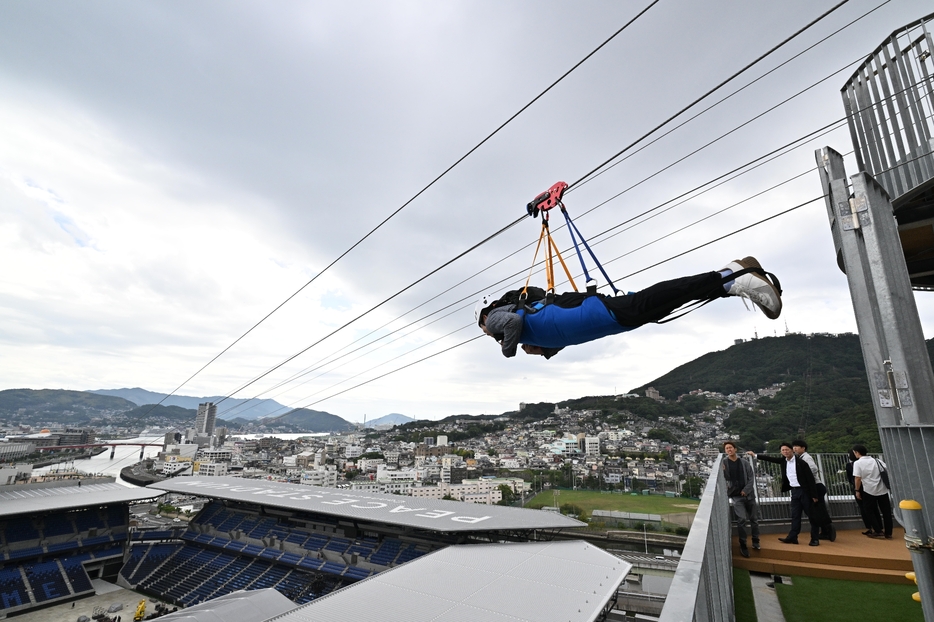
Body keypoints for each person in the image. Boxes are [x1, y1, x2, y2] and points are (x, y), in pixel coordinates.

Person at [477, 257, 782, 358]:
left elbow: (512, 328)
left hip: (593, 314)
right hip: (599, 320)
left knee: (654, 301)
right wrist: (538, 348)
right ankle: (728, 282)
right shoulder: (537, 330)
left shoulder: (494, 322)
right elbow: (555, 346)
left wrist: (507, 349)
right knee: (658, 306)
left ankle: (731, 276)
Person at [746, 443, 822, 546]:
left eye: (787, 450)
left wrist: (814, 495)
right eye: (783, 450)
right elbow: (770, 459)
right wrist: (755, 455)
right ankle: (793, 537)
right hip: (794, 491)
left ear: (792, 450)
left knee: (812, 516)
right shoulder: (783, 461)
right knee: (795, 515)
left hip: (805, 491)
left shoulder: (801, 463)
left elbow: (810, 479)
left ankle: (815, 538)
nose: (785, 452)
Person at [791, 439, 835, 542]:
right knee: (819, 510)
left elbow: (814, 468)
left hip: (816, 486)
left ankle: (828, 529)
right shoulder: (801, 458)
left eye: (797, 446)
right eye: (794, 446)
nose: (794, 448)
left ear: (803, 448)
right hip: (815, 486)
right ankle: (826, 530)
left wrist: (804, 477)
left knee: (818, 510)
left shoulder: (806, 457)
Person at [721, 441, 759, 558]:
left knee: (754, 519)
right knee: (741, 519)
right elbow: (726, 478)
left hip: (749, 495)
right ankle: (743, 543)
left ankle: (755, 540)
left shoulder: (744, 462)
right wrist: (722, 470)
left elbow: (751, 477)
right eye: (727, 448)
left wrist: (746, 490)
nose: (729, 450)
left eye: (730, 448)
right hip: (736, 496)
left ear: (735, 449)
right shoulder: (724, 463)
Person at [851, 444, 893, 539]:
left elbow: (857, 478)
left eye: (854, 452)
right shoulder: (877, 460)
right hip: (882, 489)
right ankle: (888, 532)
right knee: (886, 511)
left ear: (857, 453)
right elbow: (886, 470)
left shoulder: (858, 463)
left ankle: (878, 530)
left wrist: (857, 490)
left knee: (868, 510)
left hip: (869, 490)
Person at [846, 449, 874, 534]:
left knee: (863, 507)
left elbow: (850, 478)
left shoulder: (850, 465)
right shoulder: (868, 462)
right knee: (872, 507)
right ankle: (877, 526)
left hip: (858, 487)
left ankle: (869, 527)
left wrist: (856, 488)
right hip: (869, 486)